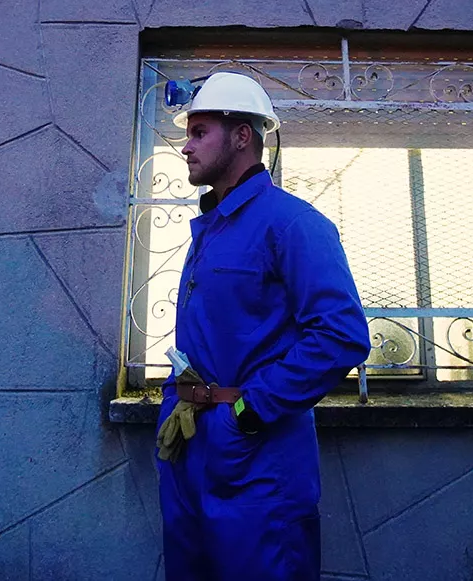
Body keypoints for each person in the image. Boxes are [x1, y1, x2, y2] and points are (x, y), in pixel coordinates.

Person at [155, 72, 371, 581]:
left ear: (242, 135)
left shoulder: (293, 224)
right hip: (190, 442)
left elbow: (341, 335)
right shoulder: (212, 228)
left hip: (256, 452)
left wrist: (250, 413)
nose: (185, 147)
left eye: (199, 132)